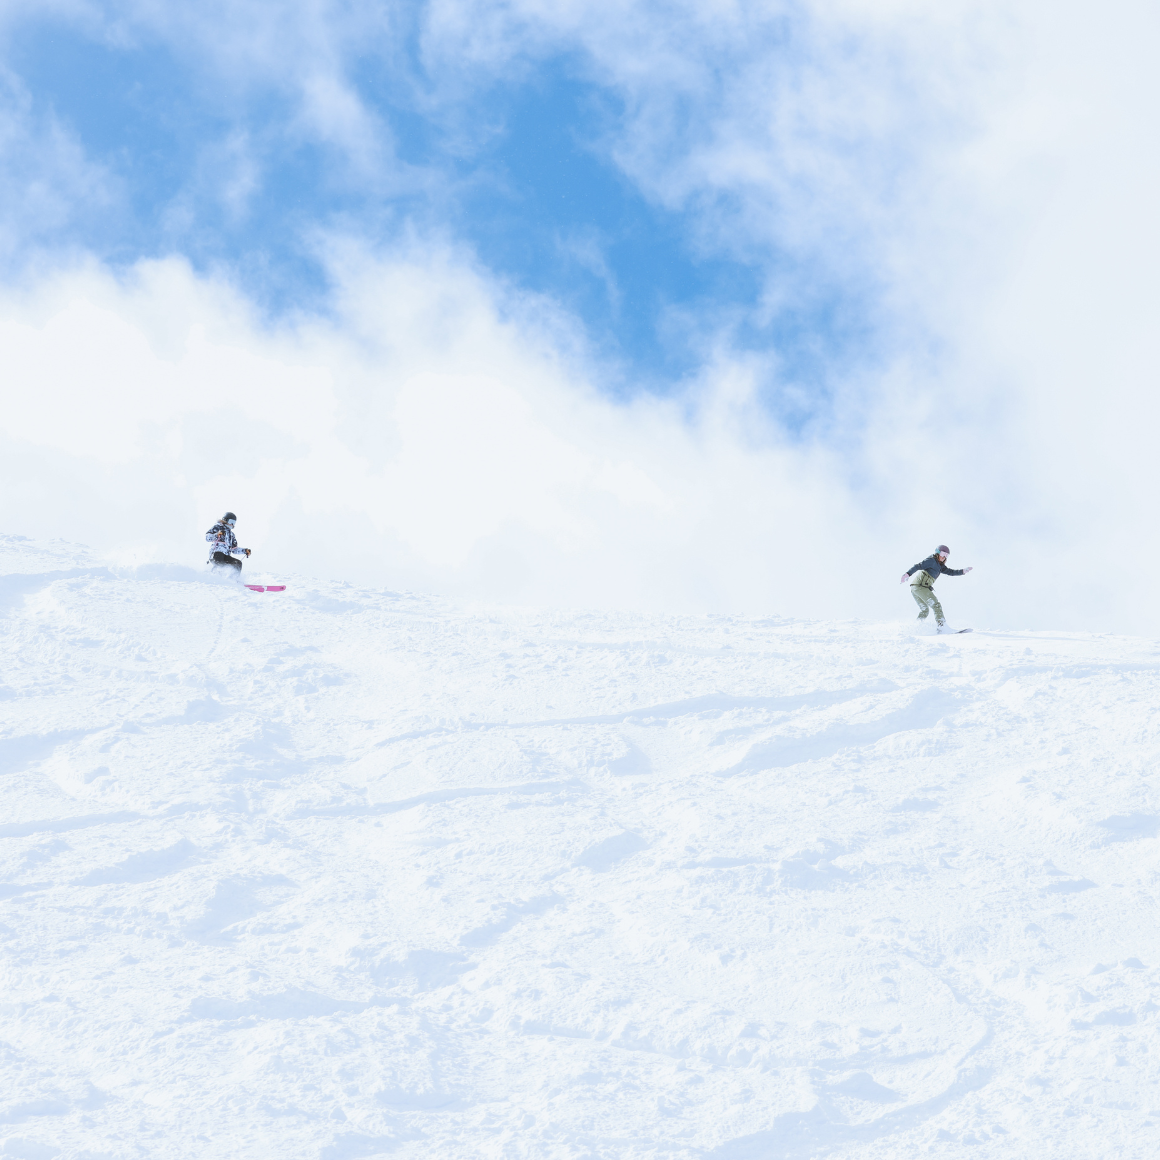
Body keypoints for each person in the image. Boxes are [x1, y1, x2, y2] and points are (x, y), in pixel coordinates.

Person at [901, 544, 973, 631]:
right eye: (943, 554)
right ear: (937, 553)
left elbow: (951, 572)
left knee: (925, 610)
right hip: (919, 587)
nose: (944, 557)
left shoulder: (940, 566)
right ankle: (942, 626)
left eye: (946, 555)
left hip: (915, 588)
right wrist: (907, 574)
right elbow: (918, 566)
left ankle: (916, 628)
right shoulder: (931, 560)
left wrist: (962, 571)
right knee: (936, 605)